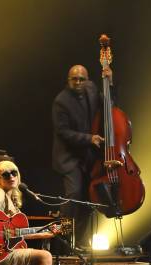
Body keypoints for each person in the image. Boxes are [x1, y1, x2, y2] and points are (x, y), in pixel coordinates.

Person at [51, 64, 111, 247]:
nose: (78, 82)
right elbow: (62, 132)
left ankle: (82, 242)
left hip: (88, 157)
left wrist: (110, 82)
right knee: (74, 194)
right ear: (68, 80)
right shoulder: (61, 101)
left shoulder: (92, 90)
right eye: (74, 79)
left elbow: (110, 104)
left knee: (89, 198)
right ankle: (63, 240)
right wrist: (88, 138)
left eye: (81, 79)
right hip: (69, 158)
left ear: (88, 80)